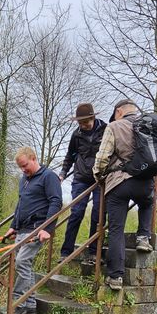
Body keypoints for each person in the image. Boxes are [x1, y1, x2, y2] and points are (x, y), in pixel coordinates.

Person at [0, 147, 62, 314]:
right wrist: (14, 226)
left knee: (21, 261)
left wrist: (47, 228)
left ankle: (18, 303)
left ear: (34, 158)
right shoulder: (25, 179)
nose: (23, 170)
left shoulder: (48, 177)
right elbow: (20, 206)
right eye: (20, 167)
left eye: (25, 165)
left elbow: (56, 202)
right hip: (23, 229)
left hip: (37, 229)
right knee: (23, 265)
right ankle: (30, 304)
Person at [92, 99, 155, 291]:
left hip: (118, 183)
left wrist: (98, 174)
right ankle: (143, 237)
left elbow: (102, 157)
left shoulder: (114, 126)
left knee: (116, 230)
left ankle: (115, 277)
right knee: (147, 204)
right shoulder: (149, 126)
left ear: (119, 111)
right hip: (144, 181)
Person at [58, 103, 106, 265]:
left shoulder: (106, 130)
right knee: (76, 212)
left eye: (86, 123)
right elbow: (70, 156)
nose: (83, 126)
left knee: (98, 214)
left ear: (93, 118)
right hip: (81, 178)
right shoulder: (76, 135)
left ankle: (93, 252)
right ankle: (66, 252)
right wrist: (63, 173)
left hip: (100, 179)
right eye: (80, 123)